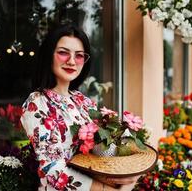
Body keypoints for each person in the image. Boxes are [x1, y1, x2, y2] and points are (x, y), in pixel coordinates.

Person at [20, 24, 138, 191]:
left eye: (79, 55)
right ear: (49, 55)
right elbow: (52, 168)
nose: (71, 61)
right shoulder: (37, 102)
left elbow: (107, 142)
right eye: (63, 53)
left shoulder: (82, 100)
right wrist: (106, 189)